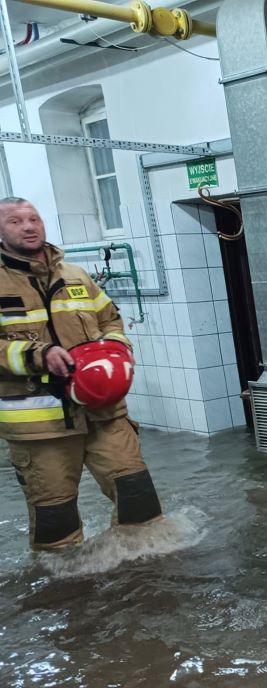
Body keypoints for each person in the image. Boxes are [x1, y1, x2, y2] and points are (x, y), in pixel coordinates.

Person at [0, 197, 162, 550]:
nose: (28, 226)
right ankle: (69, 583)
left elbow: (110, 320)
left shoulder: (76, 275)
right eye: (15, 221)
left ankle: (147, 574)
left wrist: (117, 348)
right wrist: (38, 355)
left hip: (103, 412)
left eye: (33, 218)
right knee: (56, 526)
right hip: (40, 426)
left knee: (140, 501)